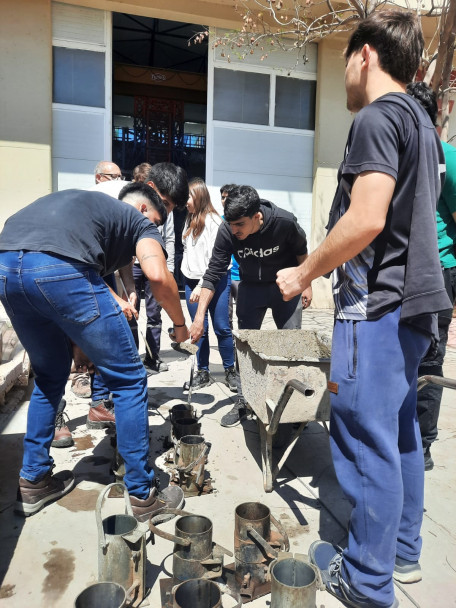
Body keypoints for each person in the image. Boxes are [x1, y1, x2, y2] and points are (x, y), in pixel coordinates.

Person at [275, 12, 451, 608]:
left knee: (362, 442)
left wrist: (303, 272)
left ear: (365, 55)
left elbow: (368, 215)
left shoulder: (377, 116)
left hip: (373, 309)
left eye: (346, 61)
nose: (345, 75)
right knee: (399, 435)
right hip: (414, 306)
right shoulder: (423, 123)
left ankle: (367, 583)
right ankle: (401, 552)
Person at [0, 186, 189, 520]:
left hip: (6, 268)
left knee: (49, 375)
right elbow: (158, 276)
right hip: (57, 266)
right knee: (130, 380)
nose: (156, 231)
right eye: (157, 223)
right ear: (143, 209)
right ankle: (143, 495)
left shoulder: (87, 211)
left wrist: (80, 343)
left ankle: (33, 481)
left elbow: (63, 292)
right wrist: (179, 325)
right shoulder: (138, 221)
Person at [189, 185, 312, 426]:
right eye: (230, 224)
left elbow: (301, 251)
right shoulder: (227, 229)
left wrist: (305, 283)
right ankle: (244, 401)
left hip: (284, 288)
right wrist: (199, 317)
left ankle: (289, 406)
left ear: (257, 216)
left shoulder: (284, 222)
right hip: (250, 289)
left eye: (240, 225)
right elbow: (213, 273)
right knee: (244, 347)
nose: (234, 230)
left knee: (291, 345)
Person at [406, 81, 456, 471]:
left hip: (437, 269)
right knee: (399, 357)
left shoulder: (447, 158)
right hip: (398, 272)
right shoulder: (396, 152)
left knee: (429, 361)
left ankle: (422, 443)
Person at [181, 178, 236, 391]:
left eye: (189, 196)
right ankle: (202, 371)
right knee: (198, 329)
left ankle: (230, 371)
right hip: (191, 280)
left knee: (222, 327)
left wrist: (201, 285)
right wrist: (188, 279)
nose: (185, 201)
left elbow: (218, 261)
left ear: (200, 197)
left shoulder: (215, 223)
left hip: (217, 280)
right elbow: (186, 250)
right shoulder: (189, 220)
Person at [130, 163, 177, 374]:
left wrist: (170, 268)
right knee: (131, 312)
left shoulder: (165, 206)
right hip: (131, 266)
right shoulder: (130, 203)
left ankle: (152, 357)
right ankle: (131, 360)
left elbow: (170, 238)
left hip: (156, 266)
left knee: (154, 314)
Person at [220, 184, 240, 329]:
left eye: (228, 197)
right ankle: (231, 345)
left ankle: (243, 345)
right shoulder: (218, 221)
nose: (224, 200)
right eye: (222, 197)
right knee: (227, 315)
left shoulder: (243, 221)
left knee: (244, 314)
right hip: (225, 275)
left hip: (241, 276)